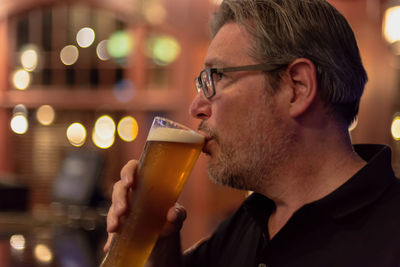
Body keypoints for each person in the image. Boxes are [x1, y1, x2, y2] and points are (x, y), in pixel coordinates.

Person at [105, 0, 400, 266]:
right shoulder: (249, 220)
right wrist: (159, 245)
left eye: (217, 77)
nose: (196, 107)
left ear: (297, 86)